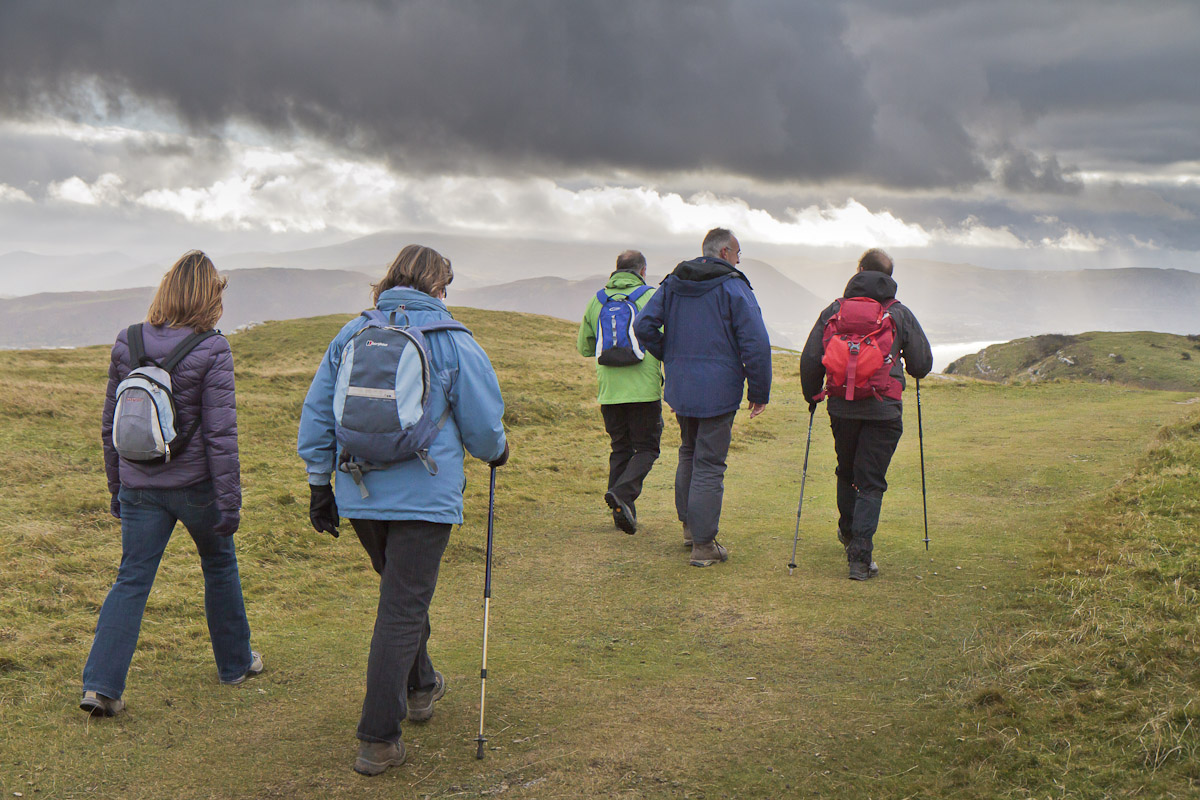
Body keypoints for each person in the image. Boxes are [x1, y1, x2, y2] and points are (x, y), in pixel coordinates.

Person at [297, 244, 508, 776]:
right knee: (402, 608)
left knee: (401, 596)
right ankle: (378, 738)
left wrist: (319, 484)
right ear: (440, 286)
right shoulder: (453, 339)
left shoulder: (351, 334)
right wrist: (498, 451)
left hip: (360, 490)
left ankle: (420, 686)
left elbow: (319, 412)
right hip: (425, 495)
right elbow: (483, 426)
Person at [83, 250, 257, 717]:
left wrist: (116, 487)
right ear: (209, 298)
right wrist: (229, 504)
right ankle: (235, 665)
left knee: (131, 578)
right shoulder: (212, 349)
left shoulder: (127, 341)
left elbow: (109, 425)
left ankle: (100, 686)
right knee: (219, 565)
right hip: (196, 485)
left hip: (139, 485)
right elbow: (221, 436)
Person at [634, 228, 772, 567]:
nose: (740, 259)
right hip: (720, 388)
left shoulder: (672, 283)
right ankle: (703, 545)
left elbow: (643, 326)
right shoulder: (733, 286)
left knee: (688, 451)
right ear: (724, 252)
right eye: (738, 252)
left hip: (682, 386)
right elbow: (755, 342)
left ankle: (689, 529)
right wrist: (759, 391)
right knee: (709, 462)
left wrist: (670, 354)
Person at [800, 248, 933, 581]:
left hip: (841, 407)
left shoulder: (834, 310)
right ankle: (860, 560)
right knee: (870, 481)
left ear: (859, 270)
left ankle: (848, 534)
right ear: (890, 277)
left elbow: (810, 358)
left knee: (847, 472)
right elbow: (922, 365)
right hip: (884, 410)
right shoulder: (899, 314)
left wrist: (812, 396)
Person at [576, 249, 663, 534]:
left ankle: (620, 513)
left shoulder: (596, 300)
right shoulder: (651, 297)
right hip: (644, 390)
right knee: (647, 448)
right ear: (642, 271)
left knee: (620, 448)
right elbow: (665, 336)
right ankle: (623, 496)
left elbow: (585, 348)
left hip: (610, 392)